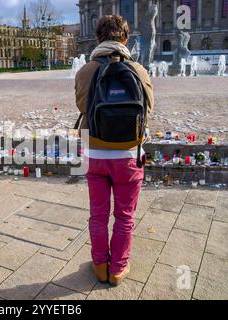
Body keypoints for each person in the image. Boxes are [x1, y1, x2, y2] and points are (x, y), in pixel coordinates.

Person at [75, 15, 154, 286]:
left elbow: (83, 107)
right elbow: (148, 109)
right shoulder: (139, 70)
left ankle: (100, 265)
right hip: (129, 156)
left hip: (95, 155)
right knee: (125, 216)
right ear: (125, 39)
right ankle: (118, 268)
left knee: (98, 214)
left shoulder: (85, 70)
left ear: (98, 38)